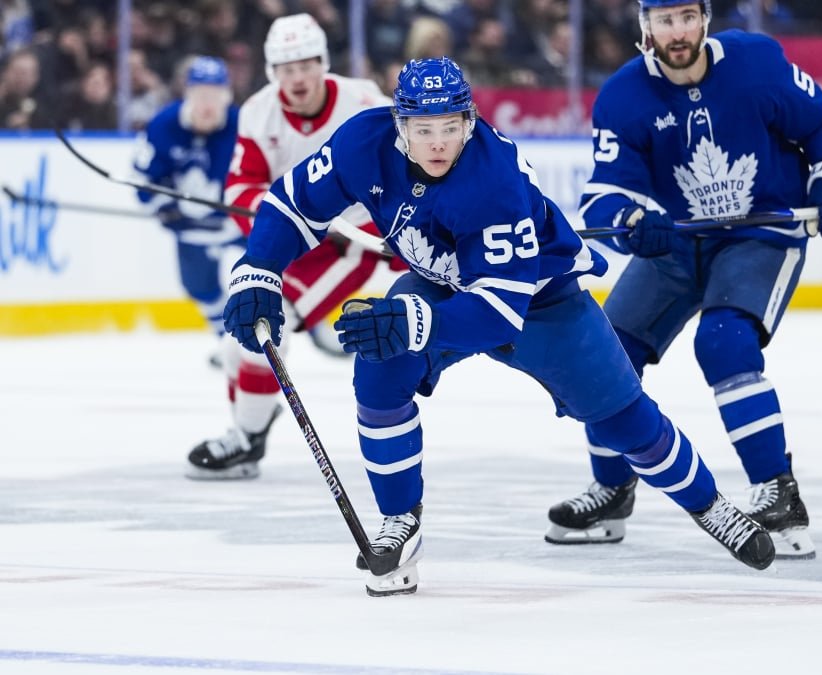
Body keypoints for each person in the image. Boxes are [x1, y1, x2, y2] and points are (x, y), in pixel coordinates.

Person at [222, 56, 777, 595]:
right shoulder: (361, 142)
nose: (438, 142)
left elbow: (497, 313)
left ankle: (710, 506)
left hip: (541, 301)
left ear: (469, 122)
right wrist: (258, 271)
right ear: (400, 126)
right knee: (380, 366)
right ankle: (400, 523)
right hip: (440, 283)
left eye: (450, 126)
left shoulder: (493, 181)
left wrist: (414, 319)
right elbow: (292, 203)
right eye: (423, 128)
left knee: (626, 424)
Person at [543, 0, 822, 559]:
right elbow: (609, 191)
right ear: (645, 27)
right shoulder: (623, 95)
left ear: (705, 19)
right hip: (677, 243)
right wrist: (633, 221)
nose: (678, 31)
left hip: (758, 233)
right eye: (665, 20)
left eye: (688, 17)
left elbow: (820, 120)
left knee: (724, 343)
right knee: (603, 351)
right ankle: (614, 487)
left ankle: (779, 494)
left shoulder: (756, 62)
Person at [188, 13, 402, 480]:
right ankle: (252, 425)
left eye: (306, 64)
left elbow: (407, 170)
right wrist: (281, 217)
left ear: (323, 62)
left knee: (262, 331)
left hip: (352, 246)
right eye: (286, 68)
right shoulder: (257, 112)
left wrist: (405, 229)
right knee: (236, 343)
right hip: (294, 241)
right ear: (272, 72)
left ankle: (247, 439)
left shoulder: (365, 103)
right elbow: (240, 189)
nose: (298, 77)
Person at [132, 55, 243, 353]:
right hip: (192, 228)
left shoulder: (245, 125)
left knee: (286, 261)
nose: (207, 104)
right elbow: (142, 185)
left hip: (242, 221)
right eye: (200, 94)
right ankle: (228, 341)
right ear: (187, 94)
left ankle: (313, 323)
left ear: (227, 95)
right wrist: (162, 203)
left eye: (215, 95)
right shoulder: (163, 125)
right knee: (200, 288)